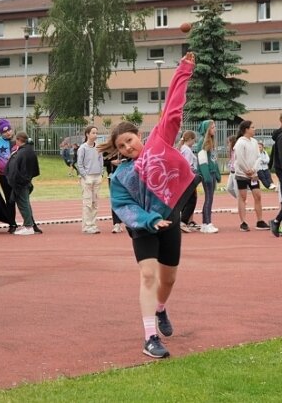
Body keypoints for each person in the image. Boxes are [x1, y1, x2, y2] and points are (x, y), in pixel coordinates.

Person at [100, 52, 200, 359]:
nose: (128, 147)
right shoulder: (120, 176)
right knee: (148, 275)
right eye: (121, 146)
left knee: (168, 278)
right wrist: (147, 220)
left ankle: (160, 309)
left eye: (130, 140)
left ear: (139, 135)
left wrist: (183, 70)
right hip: (143, 226)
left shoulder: (159, 141)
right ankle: (150, 337)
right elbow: (123, 207)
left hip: (168, 217)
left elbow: (173, 110)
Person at [233, 120, 269, 231]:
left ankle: (260, 221)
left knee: (258, 196)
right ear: (246, 129)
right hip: (242, 175)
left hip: (253, 175)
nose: (255, 129)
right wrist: (246, 170)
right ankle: (243, 222)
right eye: (252, 127)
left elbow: (259, 157)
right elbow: (239, 159)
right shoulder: (240, 142)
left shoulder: (254, 141)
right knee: (242, 197)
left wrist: (254, 170)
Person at [6, 132, 40, 236]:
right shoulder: (29, 151)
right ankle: (29, 225)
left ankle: (28, 226)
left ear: (19, 140)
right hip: (25, 180)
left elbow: (16, 168)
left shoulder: (22, 152)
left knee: (23, 203)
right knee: (25, 203)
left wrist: (15, 180)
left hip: (21, 182)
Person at [77, 125, 103, 234]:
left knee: (95, 202)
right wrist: (85, 176)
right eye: (93, 133)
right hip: (87, 177)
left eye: (96, 133)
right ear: (87, 134)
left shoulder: (98, 147)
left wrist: (101, 173)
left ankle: (93, 224)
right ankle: (87, 226)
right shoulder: (82, 148)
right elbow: (79, 164)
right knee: (87, 202)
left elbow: (101, 161)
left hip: (97, 176)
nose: (95, 135)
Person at [196, 119, 220, 234]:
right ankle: (206, 223)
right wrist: (206, 176)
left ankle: (207, 223)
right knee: (208, 198)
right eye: (212, 127)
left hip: (212, 173)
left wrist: (218, 173)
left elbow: (214, 160)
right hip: (208, 174)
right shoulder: (202, 142)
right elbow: (202, 161)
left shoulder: (212, 141)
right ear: (207, 129)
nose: (215, 129)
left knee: (210, 198)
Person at [178, 130, 199, 232]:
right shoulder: (187, 150)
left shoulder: (182, 148)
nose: (194, 143)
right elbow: (187, 165)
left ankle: (183, 220)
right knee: (192, 201)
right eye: (194, 140)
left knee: (186, 200)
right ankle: (183, 221)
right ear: (190, 139)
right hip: (188, 178)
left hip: (183, 178)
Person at [103, 148, 125, 233]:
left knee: (127, 199)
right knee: (115, 199)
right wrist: (111, 162)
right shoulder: (107, 150)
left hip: (125, 176)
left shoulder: (124, 147)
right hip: (112, 177)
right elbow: (102, 162)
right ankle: (117, 223)